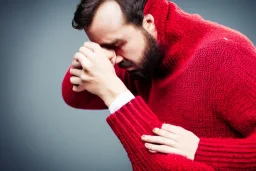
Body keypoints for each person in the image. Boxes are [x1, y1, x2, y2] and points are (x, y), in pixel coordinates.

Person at [61, 0, 256, 170]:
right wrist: (88, 60)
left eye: (116, 43)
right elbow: (75, 96)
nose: (114, 57)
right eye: (104, 47)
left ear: (149, 22)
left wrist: (201, 150)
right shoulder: (143, 60)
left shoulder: (224, 54)